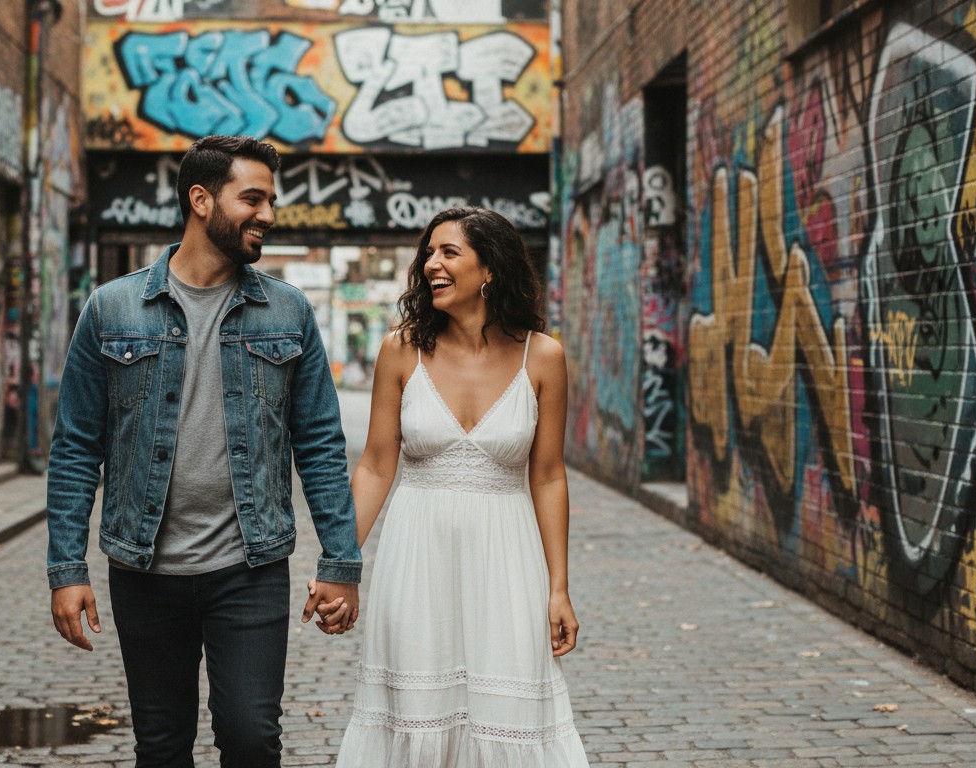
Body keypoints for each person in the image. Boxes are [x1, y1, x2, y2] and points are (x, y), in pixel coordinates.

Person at [47, 134, 362, 768]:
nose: (268, 215)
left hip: (249, 569)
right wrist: (67, 570)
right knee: (161, 747)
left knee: (250, 738)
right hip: (144, 571)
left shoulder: (288, 311)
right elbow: (77, 448)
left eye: (271, 200)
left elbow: (322, 444)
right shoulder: (112, 309)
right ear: (201, 200)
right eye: (252, 198)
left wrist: (341, 561)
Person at [324, 206, 590, 765]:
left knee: (509, 712)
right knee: (414, 709)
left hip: (509, 561)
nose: (431, 265)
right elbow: (375, 464)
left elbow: (547, 476)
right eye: (428, 253)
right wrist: (338, 564)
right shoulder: (401, 349)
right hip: (416, 558)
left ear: (489, 268)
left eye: (449, 252)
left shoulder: (542, 356)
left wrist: (558, 587)